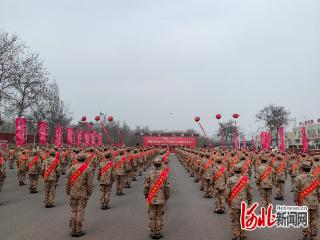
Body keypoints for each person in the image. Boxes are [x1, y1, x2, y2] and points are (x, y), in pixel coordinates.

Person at [66, 153, 93, 237]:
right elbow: (89, 183)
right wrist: (89, 192)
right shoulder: (88, 169)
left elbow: (68, 181)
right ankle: (78, 230)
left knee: (73, 210)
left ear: (77, 159)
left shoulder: (72, 168)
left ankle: (73, 230)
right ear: (85, 159)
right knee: (80, 211)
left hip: (73, 192)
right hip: (82, 193)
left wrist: (68, 190)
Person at [144, 157, 170, 239]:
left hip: (151, 198)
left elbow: (145, 186)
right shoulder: (164, 174)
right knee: (159, 215)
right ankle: (158, 232)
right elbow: (167, 187)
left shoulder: (149, 173)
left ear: (153, 164)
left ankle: (152, 232)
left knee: (152, 215)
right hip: (161, 198)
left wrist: (146, 195)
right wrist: (166, 197)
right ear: (161, 164)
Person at [225, 164, 252, 240]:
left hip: (234, 203)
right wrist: (249, 202)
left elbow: (227, 193)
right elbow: (250, 193)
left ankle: (236, 236)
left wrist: (228, 201)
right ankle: (243, 234)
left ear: (234, 170)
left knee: (235, 220)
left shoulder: (230, 180)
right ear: (241, 171)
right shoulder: (246, 180)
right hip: (244, 203)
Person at [294, 161, 320, 240]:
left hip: (304, 202)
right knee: (314, 219)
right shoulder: (315, 178)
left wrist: (296, 200)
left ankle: (306, 235)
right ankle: (313, 236)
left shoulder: (298, 178)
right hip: (314, 202)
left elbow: (296, 191)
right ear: (310, 168)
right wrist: (318, 199)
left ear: (302, 168)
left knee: (305, 219)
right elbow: (319, 191)